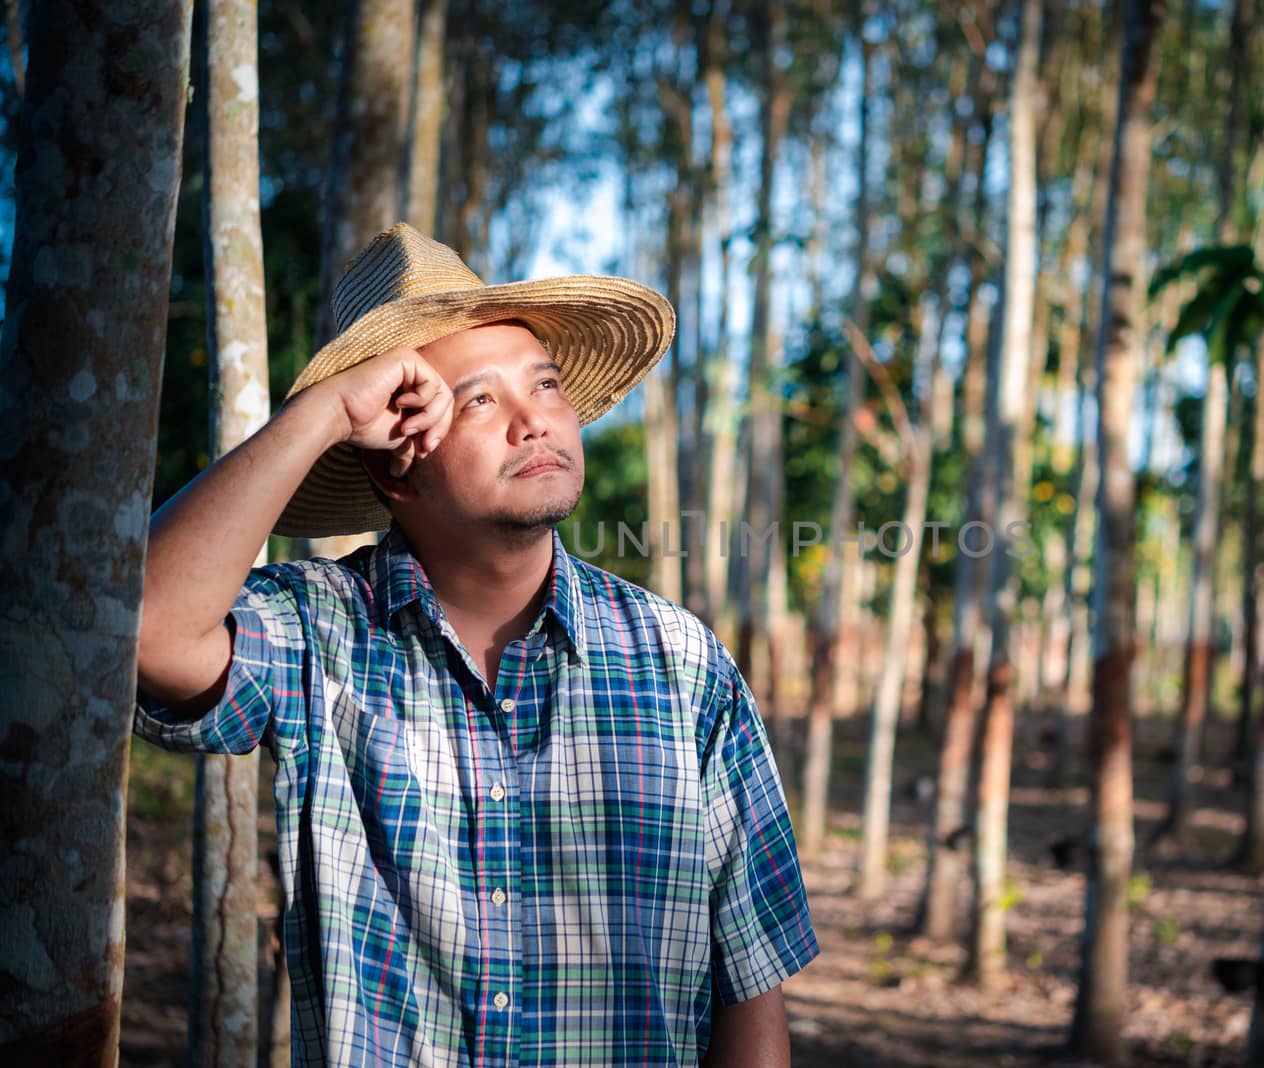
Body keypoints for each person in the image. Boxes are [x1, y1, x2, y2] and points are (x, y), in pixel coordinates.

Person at [135, 223, 817, 1067]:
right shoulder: (319, 631)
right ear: (395, 464)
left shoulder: (681, 663)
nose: (535, 421)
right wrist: (326, 410)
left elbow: (749, 987)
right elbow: (147, 628)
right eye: (481, 400)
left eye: (546, 384)